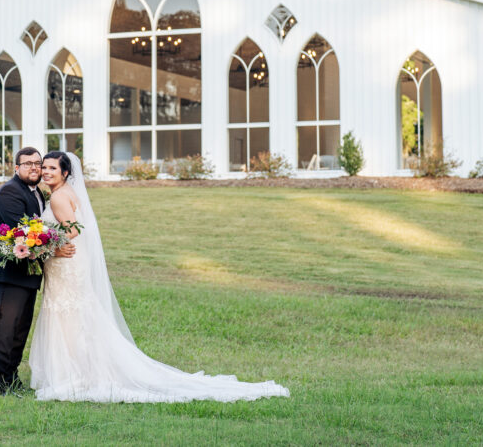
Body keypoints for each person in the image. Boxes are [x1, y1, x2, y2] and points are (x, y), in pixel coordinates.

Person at [29, 151, 289, 403]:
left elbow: (72, 230)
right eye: (46, 168)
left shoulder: (57, 198)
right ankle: (82, 371)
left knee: (68, 317)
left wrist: (43, 245)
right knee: (76, 316)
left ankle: (75, 376)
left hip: (66, 263)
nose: (47, 172)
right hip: (71, 264)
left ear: (65, 172)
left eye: (53, 168)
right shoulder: (66, 193)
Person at [0, 146, 75, 395]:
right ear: (16, 168)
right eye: (28, 164)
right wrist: (55, 251)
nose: (35, 168)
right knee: (5, 329)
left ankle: (12, 378)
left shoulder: (38, 194)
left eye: (38, 163)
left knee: (19, 330)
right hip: (9, 274)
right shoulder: (10, 193)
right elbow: (19, 237)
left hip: (28, 274)